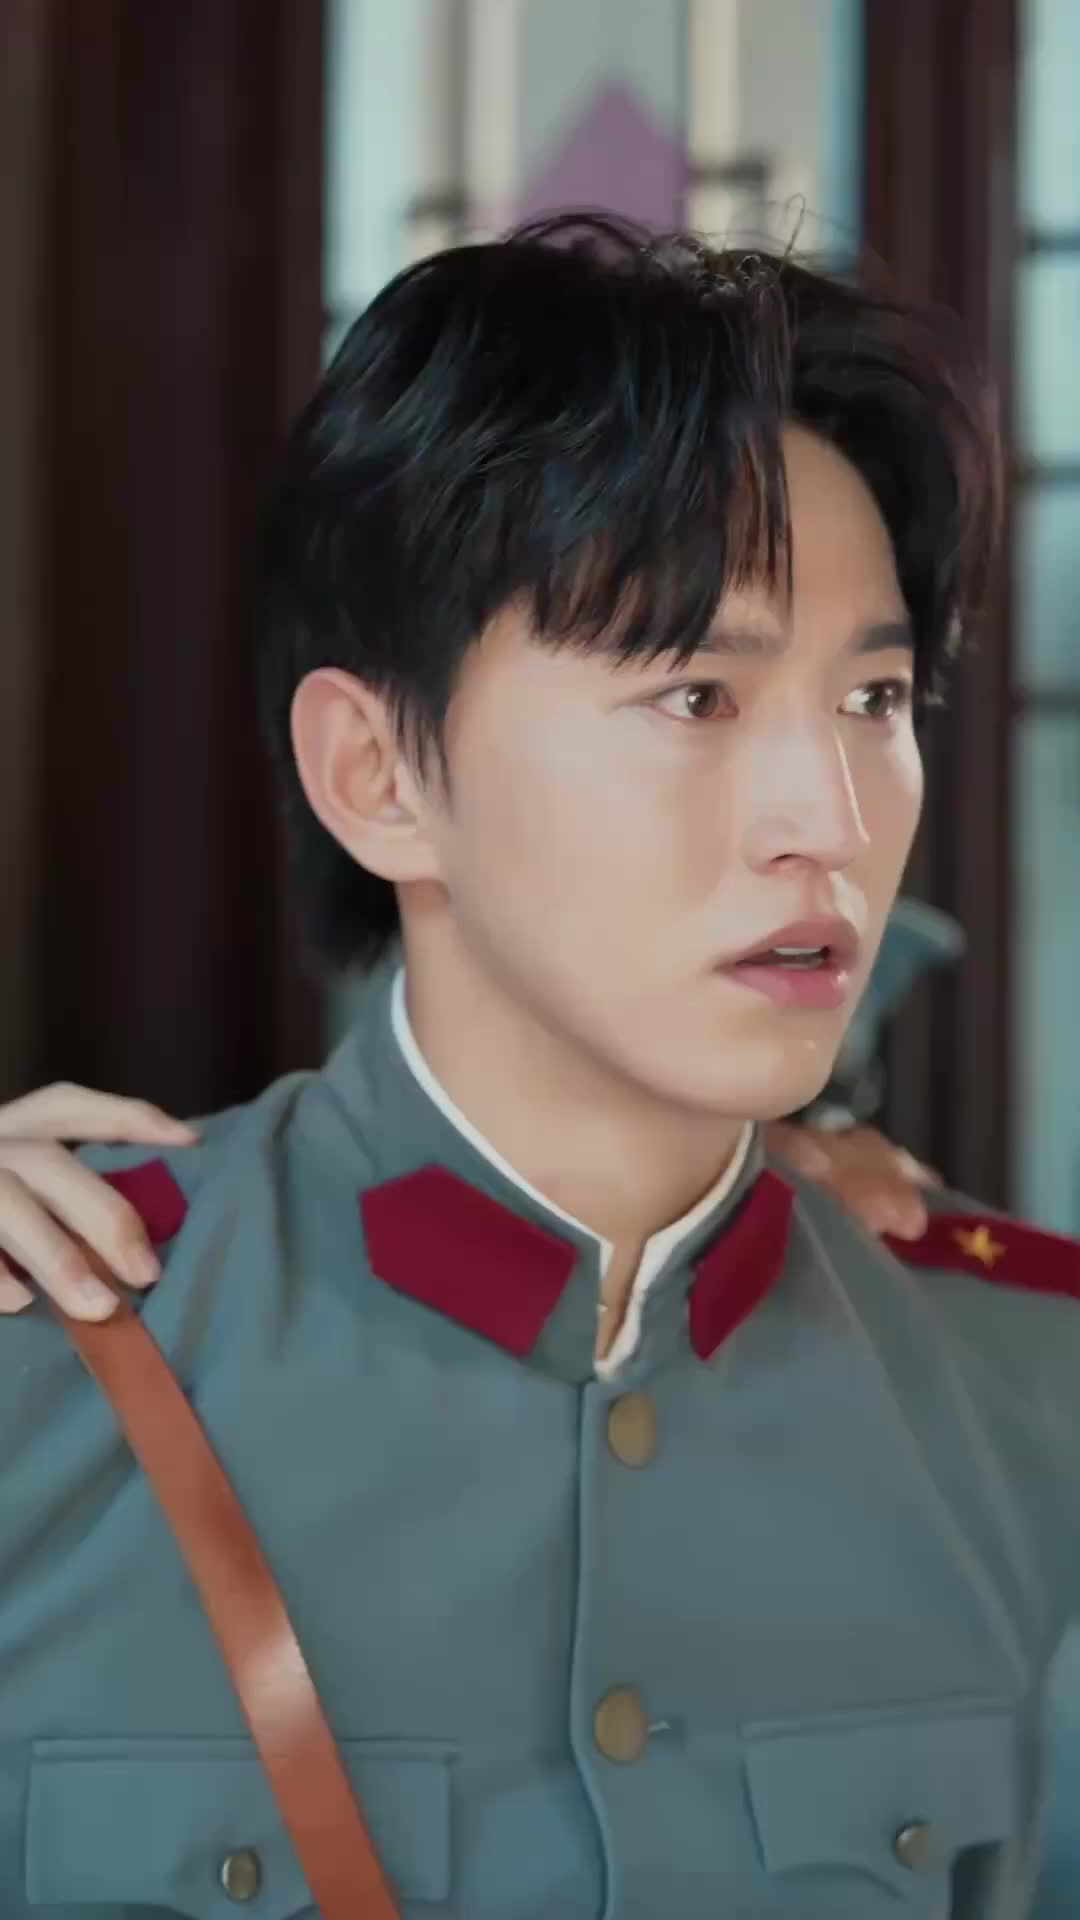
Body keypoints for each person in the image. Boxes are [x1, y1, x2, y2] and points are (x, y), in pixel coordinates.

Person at [0, 215, 1077, 1919]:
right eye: (697, 697)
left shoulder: (1028, 1400)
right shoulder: (44, 1368)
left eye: (875, 700)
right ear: (378, 776)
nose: (830, 819)